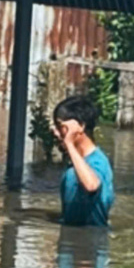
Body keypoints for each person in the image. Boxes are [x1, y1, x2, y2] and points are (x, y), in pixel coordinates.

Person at [50, 95, 114, 227]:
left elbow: (91, 185)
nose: (55, 132)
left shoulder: (98, 161)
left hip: (91, 243)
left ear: (80, 127)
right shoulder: (75, 162)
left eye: (60, 126)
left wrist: (69, 143)